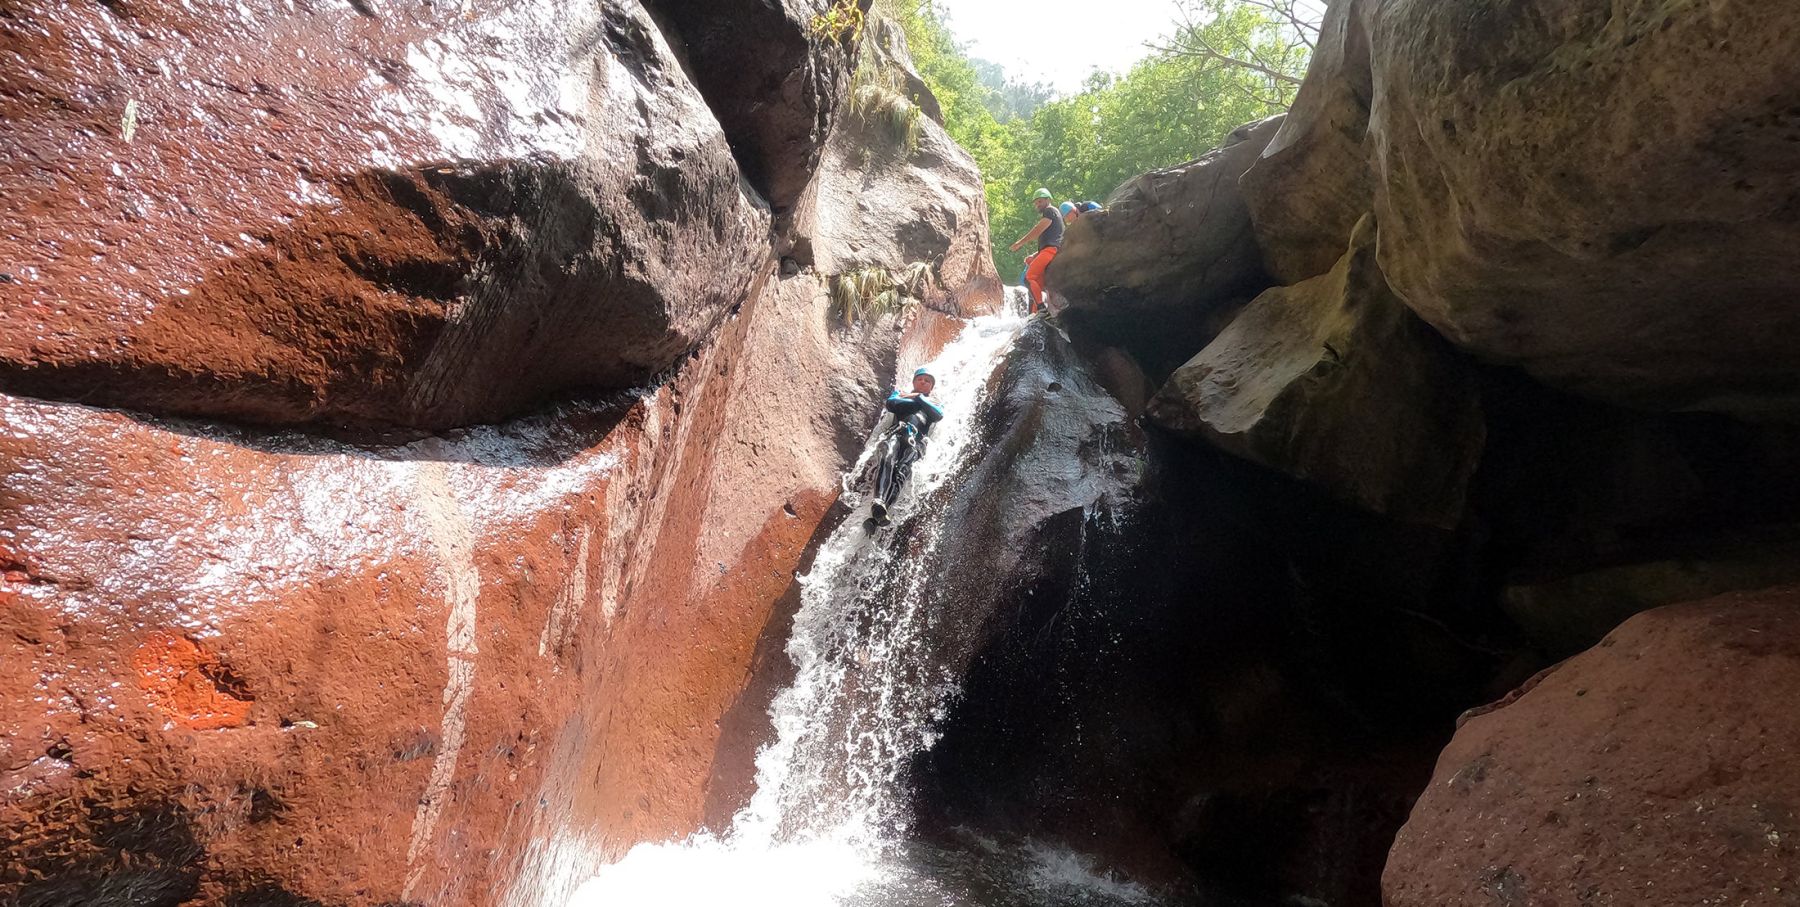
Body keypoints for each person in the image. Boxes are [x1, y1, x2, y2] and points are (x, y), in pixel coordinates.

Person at [871, 367, 944, 522]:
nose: (923, 382)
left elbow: (938, 414)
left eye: (927, 381)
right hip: (897, 432)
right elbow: (892, 403)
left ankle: (880, 514)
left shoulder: (934, 402)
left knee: (902, 469)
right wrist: (915, 399)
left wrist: (917, 397)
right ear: (913, 381)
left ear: (932, 387)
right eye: (920, 379)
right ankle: (879, 501)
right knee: (887, 454)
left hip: (916, 442)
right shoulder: (900, 394)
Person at [1008, 188, 1064, 315]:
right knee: (1036, 285)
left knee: (1029, 278)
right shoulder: (1054, 213)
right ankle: (1036, 315)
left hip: (1050, 251)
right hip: (1049, 251)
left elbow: (1038, 230)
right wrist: (1035, 255)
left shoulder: (1050, 211)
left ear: (1048, 200)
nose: (1037, 205)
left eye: (1040, 201)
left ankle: (1041, 309)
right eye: (1036, 203)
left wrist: (1020, 243)